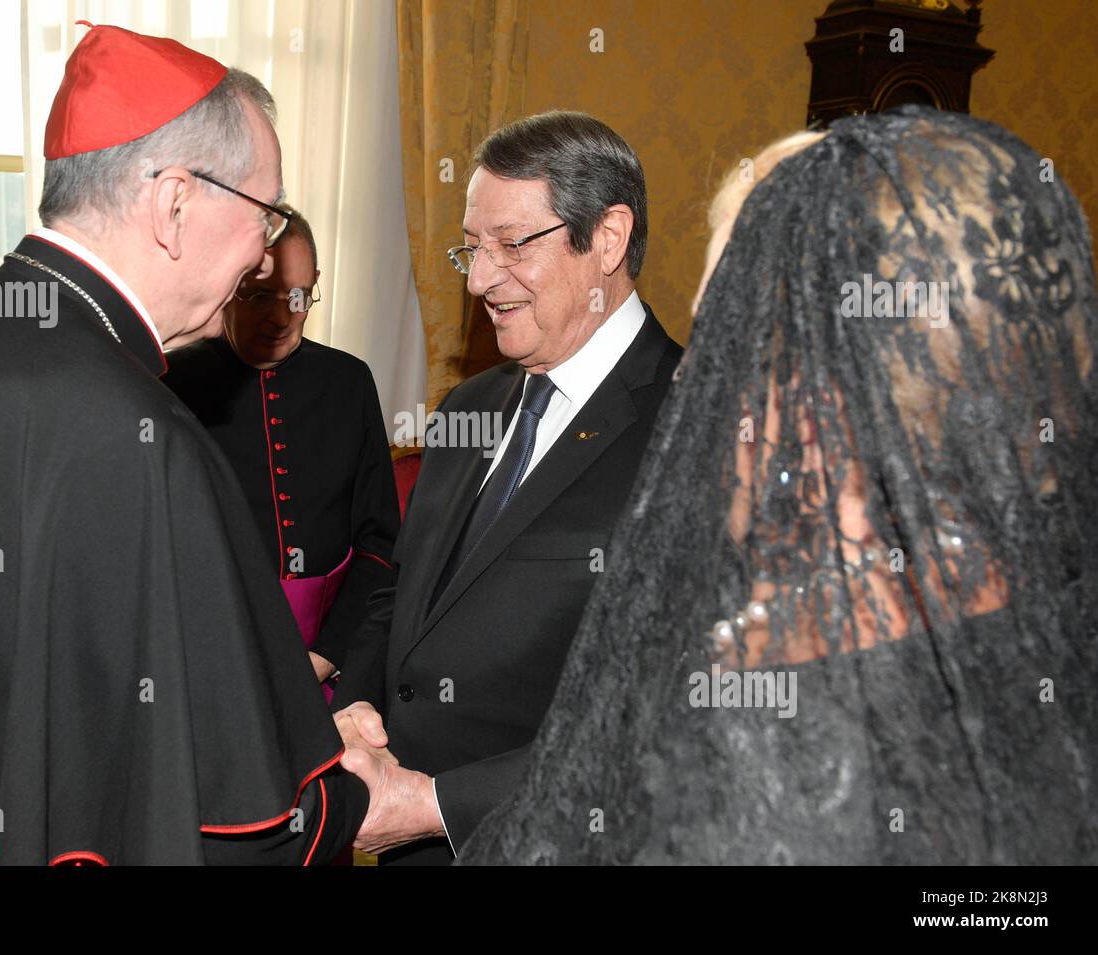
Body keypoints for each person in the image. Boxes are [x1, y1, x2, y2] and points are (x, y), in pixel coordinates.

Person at [457, 105, 1098, 864]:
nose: (694, 370)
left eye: (728, 333)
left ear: (821, 390)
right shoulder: (1040, 623)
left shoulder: (762, 735)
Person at [0, 23, 373, 865]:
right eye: (267, 213)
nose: (264, 256)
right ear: (175, 204)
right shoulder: (143, 431)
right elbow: (210, 816)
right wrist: (350, 792)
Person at [333, 111, 684, 864]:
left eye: (511, 245)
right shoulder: (469, 405)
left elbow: (669, 715)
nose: (478, 278)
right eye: (471, 247)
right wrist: (354, 703)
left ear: (609, 238)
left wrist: (438, 806)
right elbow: (408, 594)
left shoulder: (698, 424)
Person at [162, 211, 400, 701]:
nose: (282, 317)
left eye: (299, 295)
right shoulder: (169, 384)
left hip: (333, 662)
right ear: (226, 284)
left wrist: (325, 656)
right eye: (259, 296)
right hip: (204, 664)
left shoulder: (348, 381)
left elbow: (380, 541)